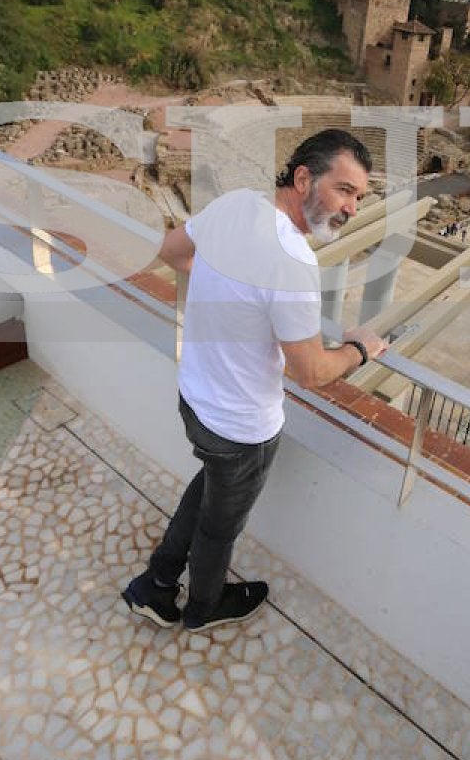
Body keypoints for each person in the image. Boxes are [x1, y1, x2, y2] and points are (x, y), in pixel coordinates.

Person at [123, 129, 388, 633]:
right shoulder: (293, 261)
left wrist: (231, 294)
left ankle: (155, 586)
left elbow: (174, 252)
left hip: (196, 401)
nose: (352, 208)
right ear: (304, 177)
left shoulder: (236, 204)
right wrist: (359, 348)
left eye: (359, 197)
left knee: (205, 490)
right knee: (219, 528)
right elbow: (311, 372)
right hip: (241, 430)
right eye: (345, 190)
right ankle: (203, 607)